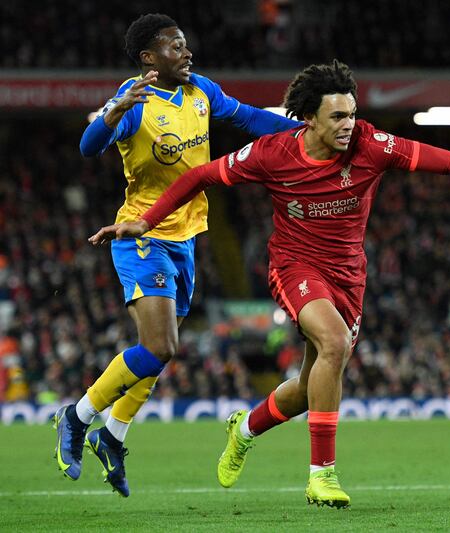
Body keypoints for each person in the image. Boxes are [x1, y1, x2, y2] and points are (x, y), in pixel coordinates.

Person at [89, 59, 450, 508]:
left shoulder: (372, 145)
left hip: (349, 275)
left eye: (352, 114)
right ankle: (321, 476)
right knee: (334, 343)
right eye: (337, 116)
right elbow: (199, 176)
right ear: (308, 118)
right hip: (296, 266)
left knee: (311, 387)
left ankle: (244, 428)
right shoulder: (273, 153)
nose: (349, 124)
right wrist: (145, 220)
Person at [53, 13, 299, 497]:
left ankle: (114, 435)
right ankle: (77, 417)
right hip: (141, 234)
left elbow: (248, 117)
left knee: (160, 353)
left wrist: (300, 132)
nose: (187, 53)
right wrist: (113, 111)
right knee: (161, 346)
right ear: (149, 58)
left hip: (187, 237)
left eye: (186, 45)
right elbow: (88, 147)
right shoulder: (135, 98)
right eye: (175, 47)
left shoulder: (201, 90)